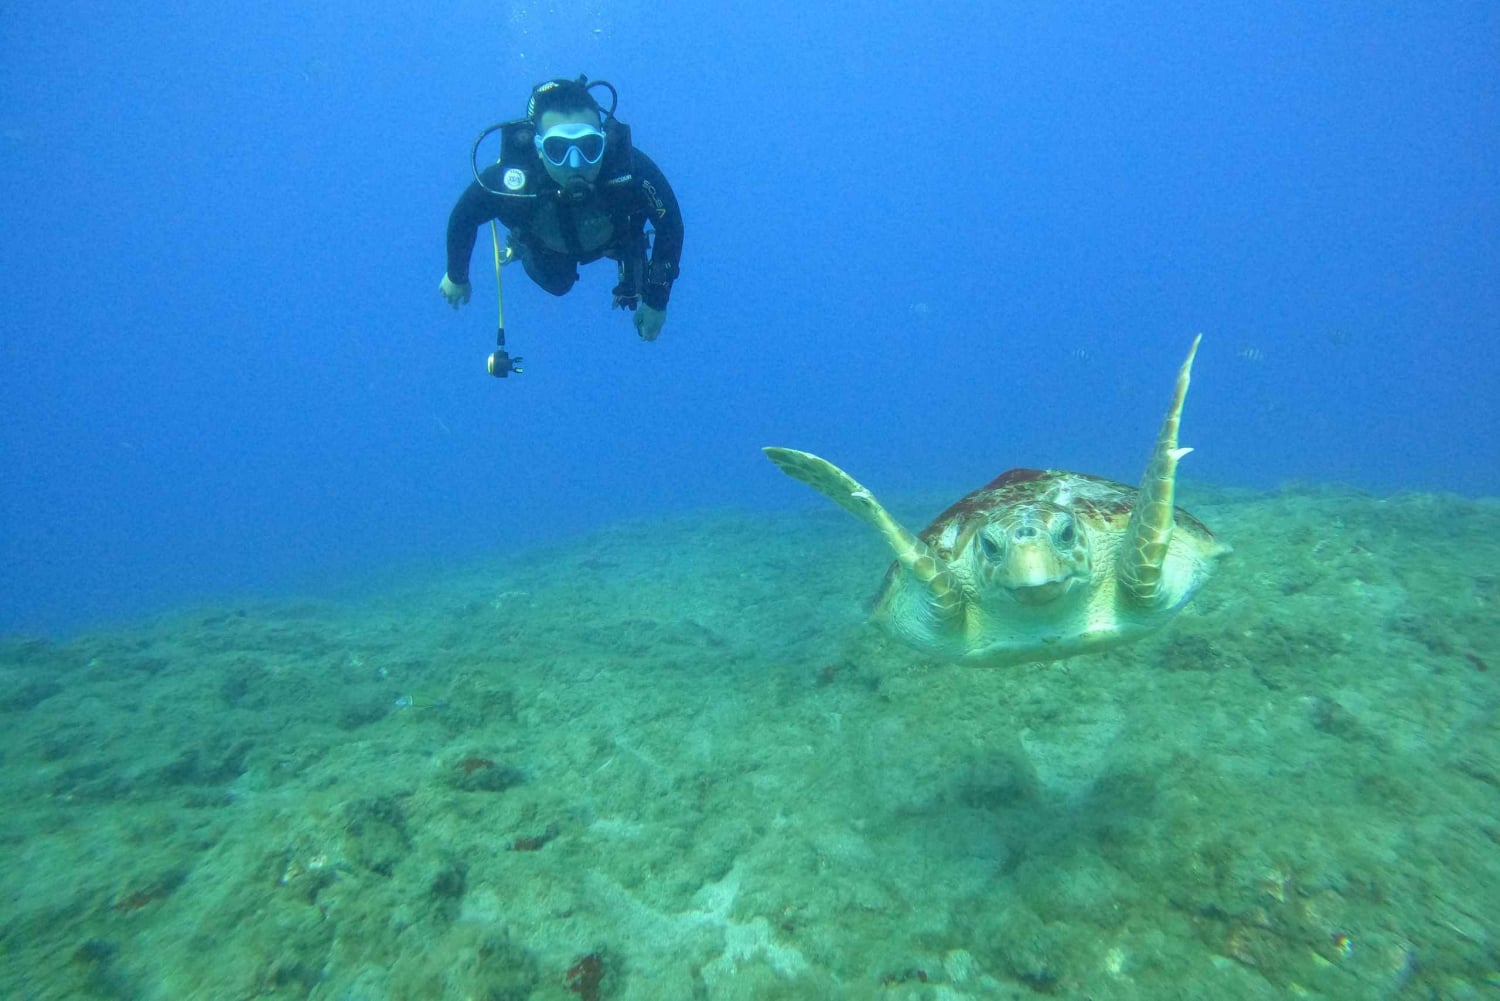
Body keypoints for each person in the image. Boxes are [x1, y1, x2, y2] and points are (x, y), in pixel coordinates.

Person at [440, 76, 683, 342]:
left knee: (631, 249)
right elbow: (464, 216)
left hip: (615, 238)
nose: (575, 163)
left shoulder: (630, 170)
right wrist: (457, 275)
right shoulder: (514, 179)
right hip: (547, 249)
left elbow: (669, 223)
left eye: (589, 147)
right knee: (557, 284)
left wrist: (657, 301)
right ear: (539, 149)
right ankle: (519, 247)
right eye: (558, 149)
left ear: (603, 141)